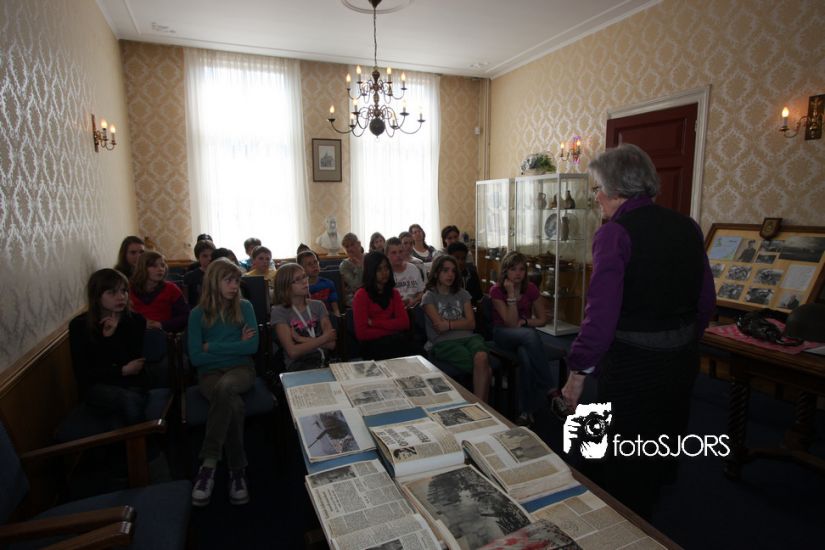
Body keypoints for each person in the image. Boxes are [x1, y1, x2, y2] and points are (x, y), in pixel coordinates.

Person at [559, 143, 715, 518]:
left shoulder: (614, 233)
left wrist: (577, 372)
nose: (596, 197)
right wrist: (682, 341)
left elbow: (601, 315)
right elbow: (706, 301)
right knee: (664, 430)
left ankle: (619, 517)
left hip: (633, 362)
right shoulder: (688, 226)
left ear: (615, 190)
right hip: (682, 356)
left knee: (620, 451)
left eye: (598, 189)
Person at [187, 258, 259, 507]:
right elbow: (196, 358)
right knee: (233, 404)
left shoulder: (245, 306)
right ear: (213, 281)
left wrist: (212, 346)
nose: (234, 286)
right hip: (209, 374)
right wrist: (236, 345)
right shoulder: (197, 314)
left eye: (237, 280)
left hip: (241, 370)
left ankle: (208, 465)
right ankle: (237, 470)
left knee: (226, 387)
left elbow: (252, 347)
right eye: (228, 280)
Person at [69, 269, 148, 425]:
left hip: (130, 383)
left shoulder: (136, 320)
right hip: (97, 387)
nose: (121, 297)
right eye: (112, 292)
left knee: (130, 400)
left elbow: (135, 365)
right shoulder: (79, 325)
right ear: (97, 296)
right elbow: (84, 374)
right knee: (127, 401)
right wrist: (121, 370)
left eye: (124, 291)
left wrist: (112, 338)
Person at [490, 251, 550, 427]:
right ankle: (551, 388)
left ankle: (526, 412)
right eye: (513, 269)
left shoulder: (530, 288)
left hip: (525, 337)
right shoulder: (496, 290)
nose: (518, 273)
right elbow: (510, 323)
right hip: (503, 334)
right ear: (505, 271)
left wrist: (525, 321)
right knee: (530, 335)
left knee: (525, 356)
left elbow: (542, 319)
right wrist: (511, 295)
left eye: (522, 269)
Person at [422, 255, 491, 401]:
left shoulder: (463, 294)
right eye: (445, 270)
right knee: (483, 367)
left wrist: (448, 324)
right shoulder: (429, 296)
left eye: (453, 271)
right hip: (443, 342)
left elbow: (471, 324)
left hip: (469, 337)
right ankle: (482, 404)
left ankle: (479, 405)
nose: (450, 274)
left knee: (482, 357)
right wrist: (460, 322)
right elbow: (439, 328)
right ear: (436, 273)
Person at [352, 252, 421, 360]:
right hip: (373, 345)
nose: (384, 272)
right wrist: (393, 329)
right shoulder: (361, 295)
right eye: (379, 269)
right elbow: (362, 333)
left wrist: (374, 323)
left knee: (419, 353)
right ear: (371, 271)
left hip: (395, 341)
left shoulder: (394, 293)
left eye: (386, 268)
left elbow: (404, 323)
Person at [270, 263, 336, 371]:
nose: (305, 281)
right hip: (298, 366)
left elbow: (331, 344)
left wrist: (300, 339)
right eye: (297, 279)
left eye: (304, 276)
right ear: (285, 286)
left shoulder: (318, 305)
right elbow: (293, 352)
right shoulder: (279, 311)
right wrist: (324, 338)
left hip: (325, 362)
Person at [130, 251, 189, 333]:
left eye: (162, 265)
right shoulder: (129, 289)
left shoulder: (171, 289)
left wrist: (162, 325)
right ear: (142, 268)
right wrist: (140, 324)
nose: (160, 269)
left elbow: (185, 316)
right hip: (135, 332)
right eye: (154, 266)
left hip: (164, 333)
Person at [297, 250, 340, 316]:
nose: (314, 266)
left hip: (328, 316)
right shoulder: (300, 288)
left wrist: (338, 319)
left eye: (315, 262)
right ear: (301, 269)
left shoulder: (328, 283)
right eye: (309, 264)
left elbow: (336, 310)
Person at [387, 237, 424, 307]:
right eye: (394, 253)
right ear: (387, 255)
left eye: (400, 252)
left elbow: (421, 292)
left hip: (414, 307)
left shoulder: (413, 268)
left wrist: (414, 300)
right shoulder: (385, 273)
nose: (398, 255)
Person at [184, 239, 216, 306]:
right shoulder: (190, 276)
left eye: (212, 255)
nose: (209, 258)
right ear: (198, 258)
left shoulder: (220, 274)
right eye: (205, 256)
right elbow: (186, 301)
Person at [339, 232, 365, 308]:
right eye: (347, 246)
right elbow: (356, 285)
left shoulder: (369, 258)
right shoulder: (344, 265)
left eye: (352, 244)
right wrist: (359, 268)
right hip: (355, 297)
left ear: (359, 244)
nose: (350, 249)